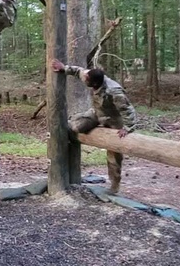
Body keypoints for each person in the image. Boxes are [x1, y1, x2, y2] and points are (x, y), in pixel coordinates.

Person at [50, 60, 137, 194]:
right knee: (76, 126)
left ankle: (114, 186)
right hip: (97, 113)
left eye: (87, 79)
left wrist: (127, 127)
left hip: (114, 119)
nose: (84, 79)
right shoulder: (90, 76)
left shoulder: (114, 91)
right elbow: (78, 71)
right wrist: (63, 68)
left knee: (114, 155)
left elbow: (128, 110)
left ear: (94, 83)